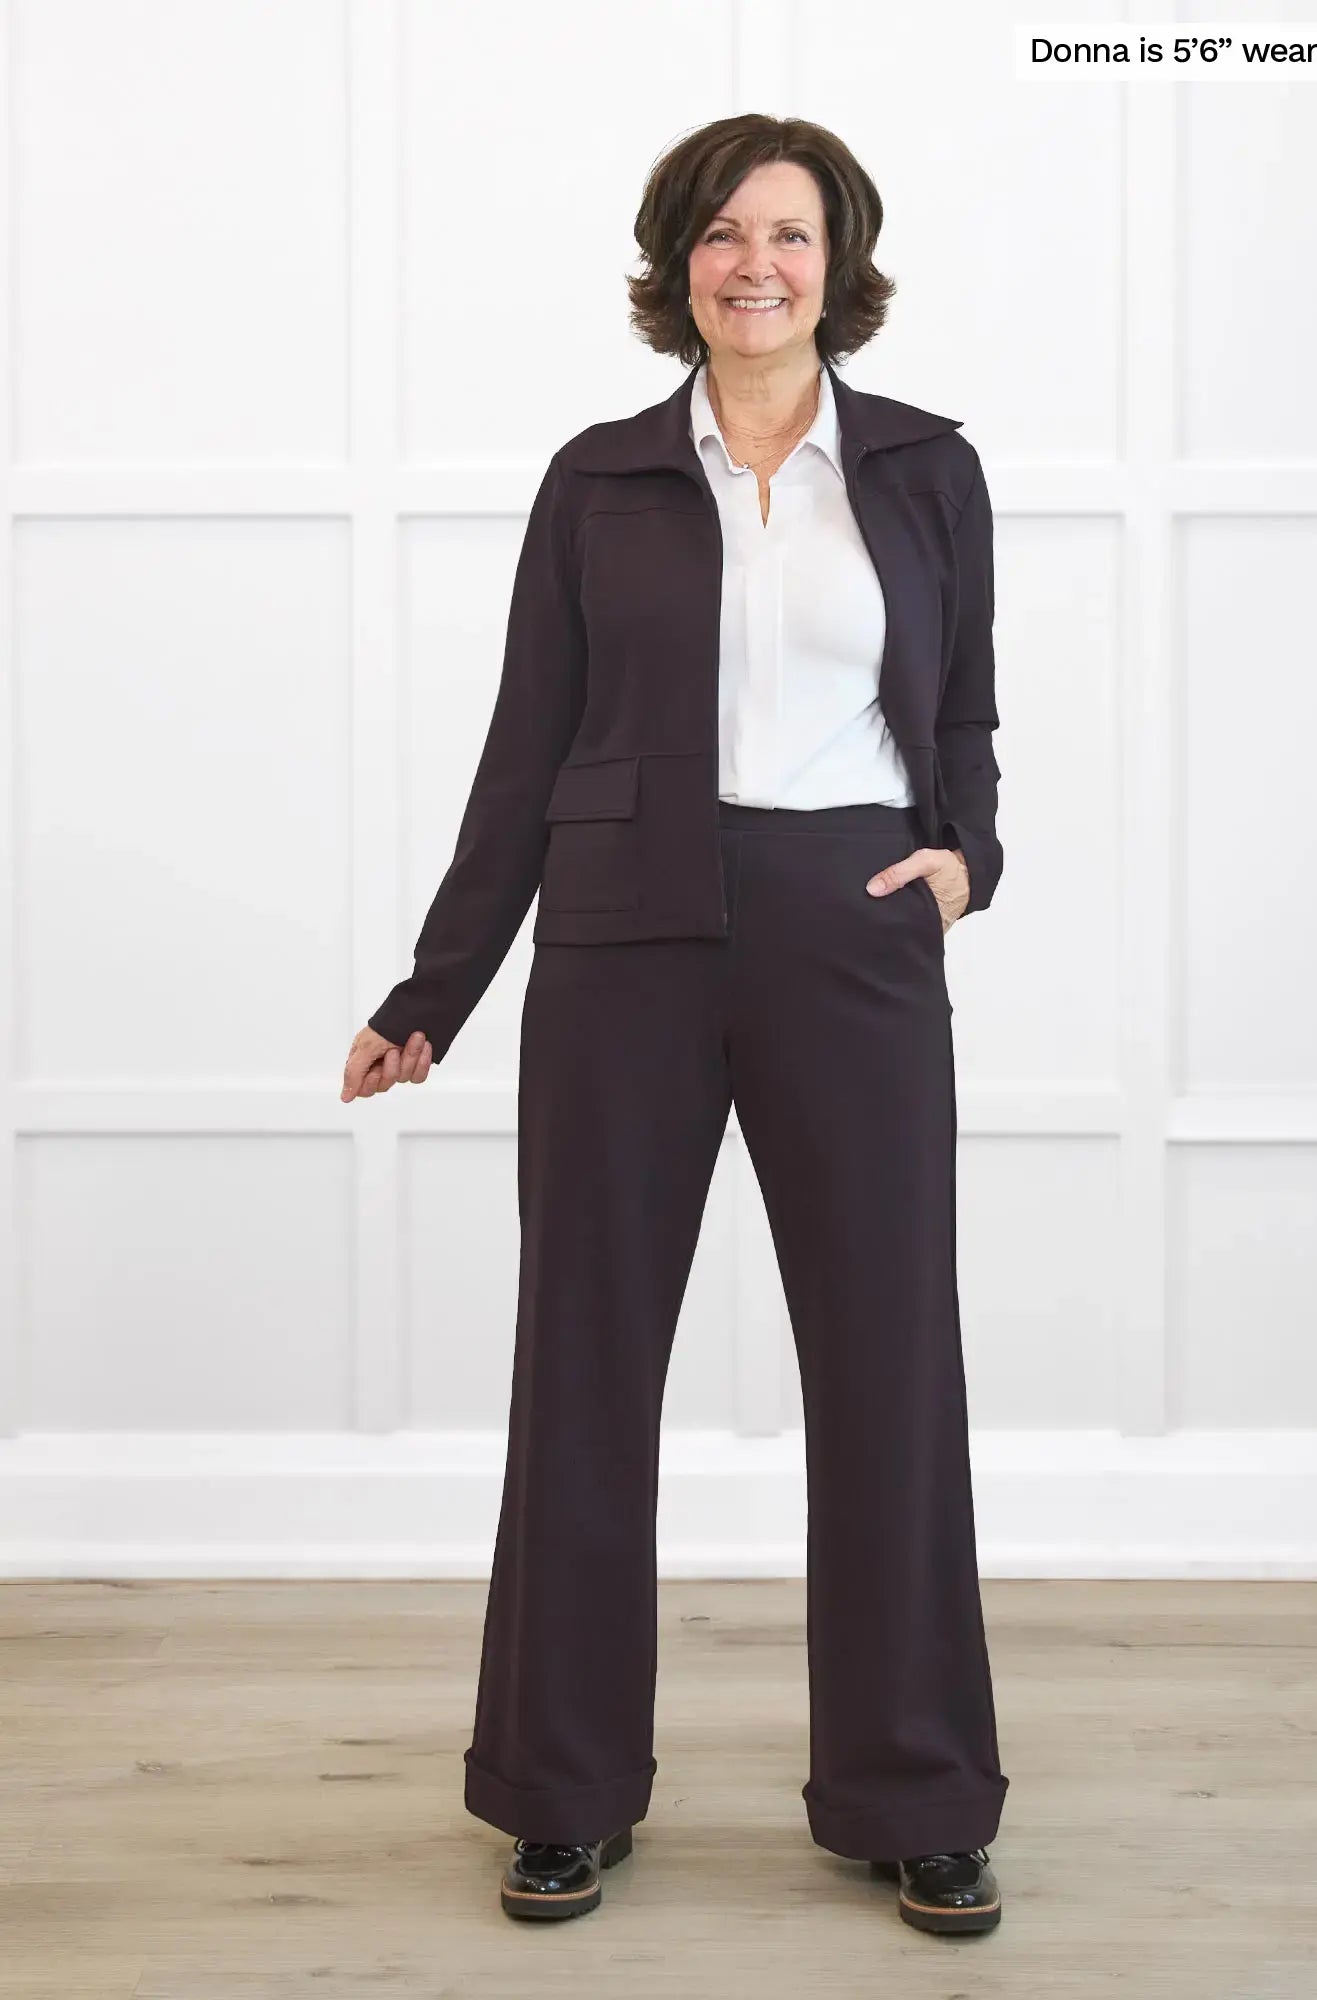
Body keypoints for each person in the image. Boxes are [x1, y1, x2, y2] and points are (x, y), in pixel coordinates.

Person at [341, 114, 1010, 1937]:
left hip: (851, 932)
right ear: (677, 264)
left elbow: (964, 713)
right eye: (721, 234)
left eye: (788, 234)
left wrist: (964, 861)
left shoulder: (927, 469)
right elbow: (525, 745)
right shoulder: (601, 480)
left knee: (889, 1362)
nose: (754, 265)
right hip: (621, 938)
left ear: (837, 261)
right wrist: (436, 990)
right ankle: (558, 1790)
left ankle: (918, 1793)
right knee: (584, 1358)